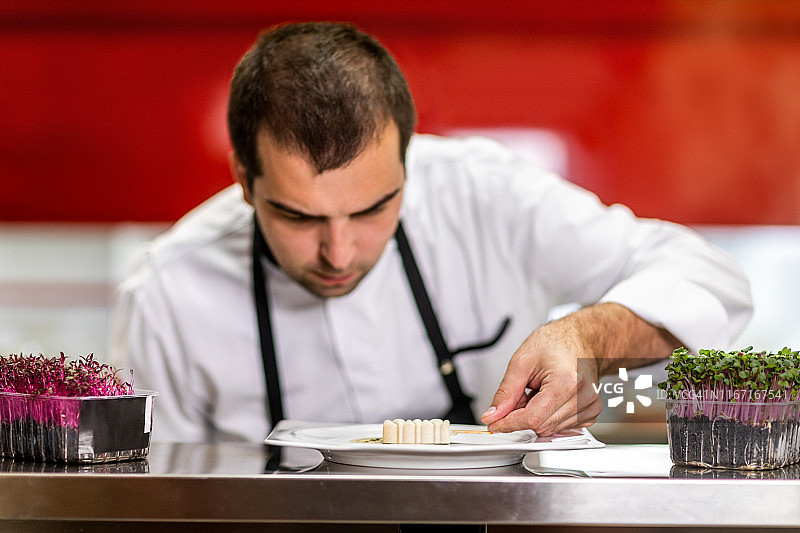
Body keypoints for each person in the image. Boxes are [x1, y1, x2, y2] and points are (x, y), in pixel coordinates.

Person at [109, 21, 752, 443]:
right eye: (300, 217)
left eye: (371, 209)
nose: (340, 252)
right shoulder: (167, 294)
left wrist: (588, 334)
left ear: (407, 165)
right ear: (245, 183)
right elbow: (150, 499)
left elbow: (715, 282)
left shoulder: (485, 195)